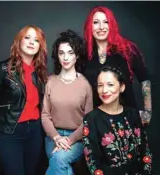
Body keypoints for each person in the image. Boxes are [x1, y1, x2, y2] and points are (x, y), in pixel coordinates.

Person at [0, 25, 47, 175]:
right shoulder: (2, 69)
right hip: (10, 132)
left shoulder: (40, 73)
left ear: (40, 46)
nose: (32, 42)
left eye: (36, 40)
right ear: (18, 41)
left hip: (34, 132)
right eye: (27, 37)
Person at [83, 6, 152, 124]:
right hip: (97, 121)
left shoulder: (127, 49)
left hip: (127, 118)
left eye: (106, 22)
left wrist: (148, 112)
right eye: (96, 22)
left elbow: (144, 80)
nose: (101, 27)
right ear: (90, 26)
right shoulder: (84, 53)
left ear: (112, 25)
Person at [82, 66, 153, 175]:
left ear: (122, 87)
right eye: (100, 85)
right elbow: (93, 163)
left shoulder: (133, 114)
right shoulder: (91, 119)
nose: (104, 90)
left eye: (110, 85)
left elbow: (145, 153)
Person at [41, 29, 93, 175]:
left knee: (58, 159)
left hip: (77, 139)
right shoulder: (50, 82)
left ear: (77, 55)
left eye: (70, 52)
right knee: (63, 167)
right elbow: (45, 115)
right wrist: (57, 137)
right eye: (61, 52)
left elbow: (88, 121)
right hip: (53, 137)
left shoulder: (85, 85)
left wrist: (69, 140)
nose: (66, 57)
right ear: (57, 55)